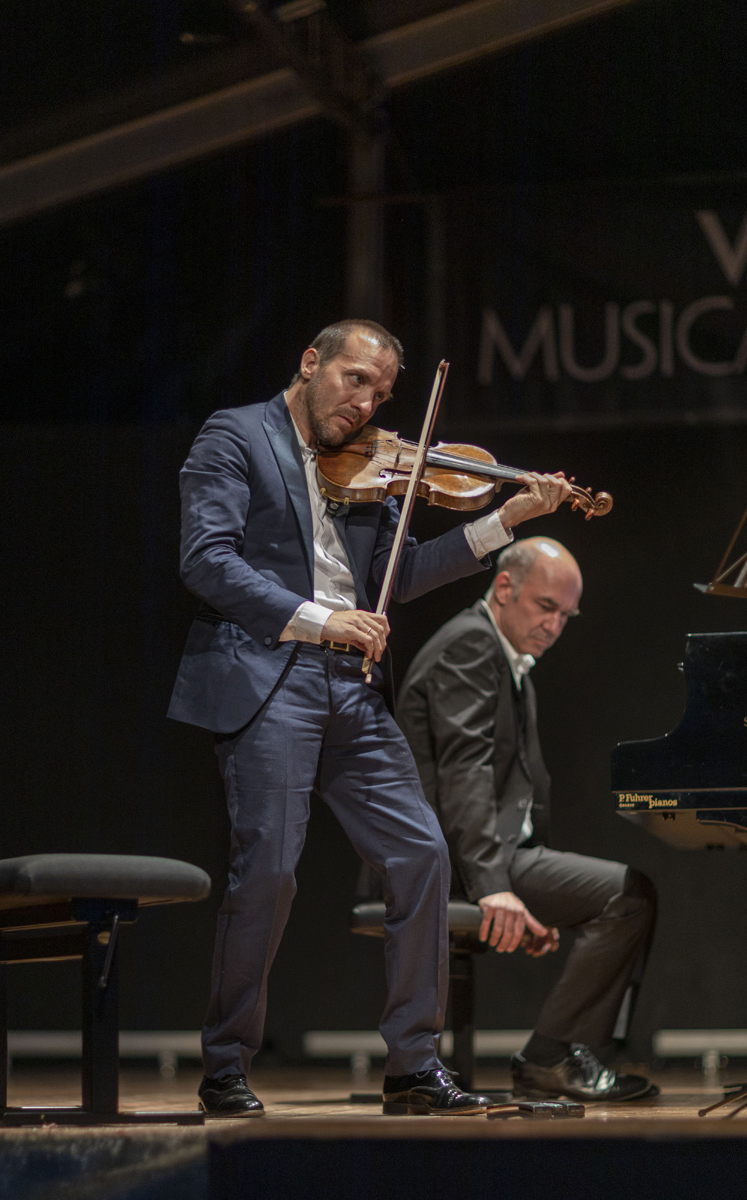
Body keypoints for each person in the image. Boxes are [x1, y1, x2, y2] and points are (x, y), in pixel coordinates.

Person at [168, 319, 573, 1117]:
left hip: (350, 688)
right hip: (272, 674)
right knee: (270, 871)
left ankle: (413, 1067)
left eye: (381, 394)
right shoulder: (235, 436)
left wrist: (507, 520)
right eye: (354, 380)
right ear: (310, 361)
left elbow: (404, 571)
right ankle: (225, 1064)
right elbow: (206, 560)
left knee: (421, 853)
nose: (364, 404)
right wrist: (324, 619)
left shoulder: (373, 467)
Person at [396, 536, 658, 1103]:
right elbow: (463, 774)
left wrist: (536, 892)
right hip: (450, 861)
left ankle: (560, 1053)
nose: (554, 626)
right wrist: (495, 887)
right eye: (546, 607)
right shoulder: (471, 645)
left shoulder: (505, 655)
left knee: (629, 894)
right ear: (504, 587)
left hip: (484, 852)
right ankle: (552, 1058)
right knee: (627, 895)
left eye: (566, 615)